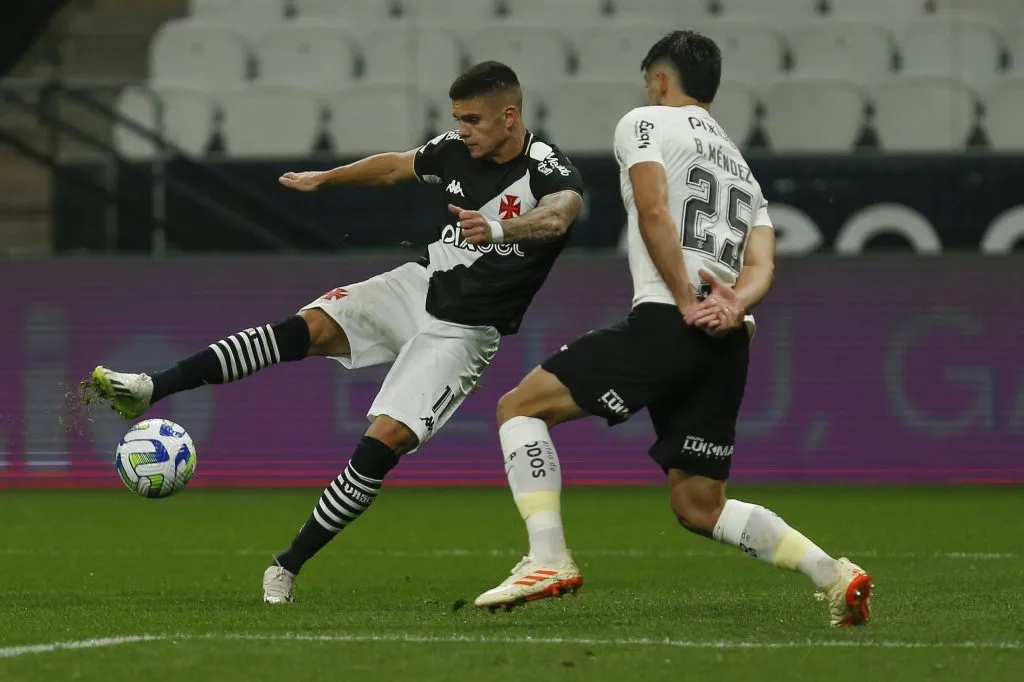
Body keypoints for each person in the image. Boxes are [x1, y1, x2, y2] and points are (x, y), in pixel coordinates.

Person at [83, 61, 585, 604]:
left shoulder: (548, 170)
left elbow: (558, 218)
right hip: (420, 282)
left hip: (464, 330)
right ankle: (149, 388)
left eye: (473, 120)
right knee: (306, 328)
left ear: (509, 116)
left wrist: (499, 228)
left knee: (384, 441)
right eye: (457, 119)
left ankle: (286, 566)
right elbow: (395, 166)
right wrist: (325, 178)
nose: (462, 130)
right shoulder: (455, 148)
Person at [471, 32, 873, 627]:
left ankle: (547, 557)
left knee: (519, 409)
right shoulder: (740, 167)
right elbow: (762, 265)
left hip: (670, 320)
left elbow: (654, 208)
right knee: (699, 505)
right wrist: (733, 307)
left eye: (647, 82)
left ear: (659, 81)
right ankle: (836, 576)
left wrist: (686, 299)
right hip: (728, 338)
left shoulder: (645, 123)